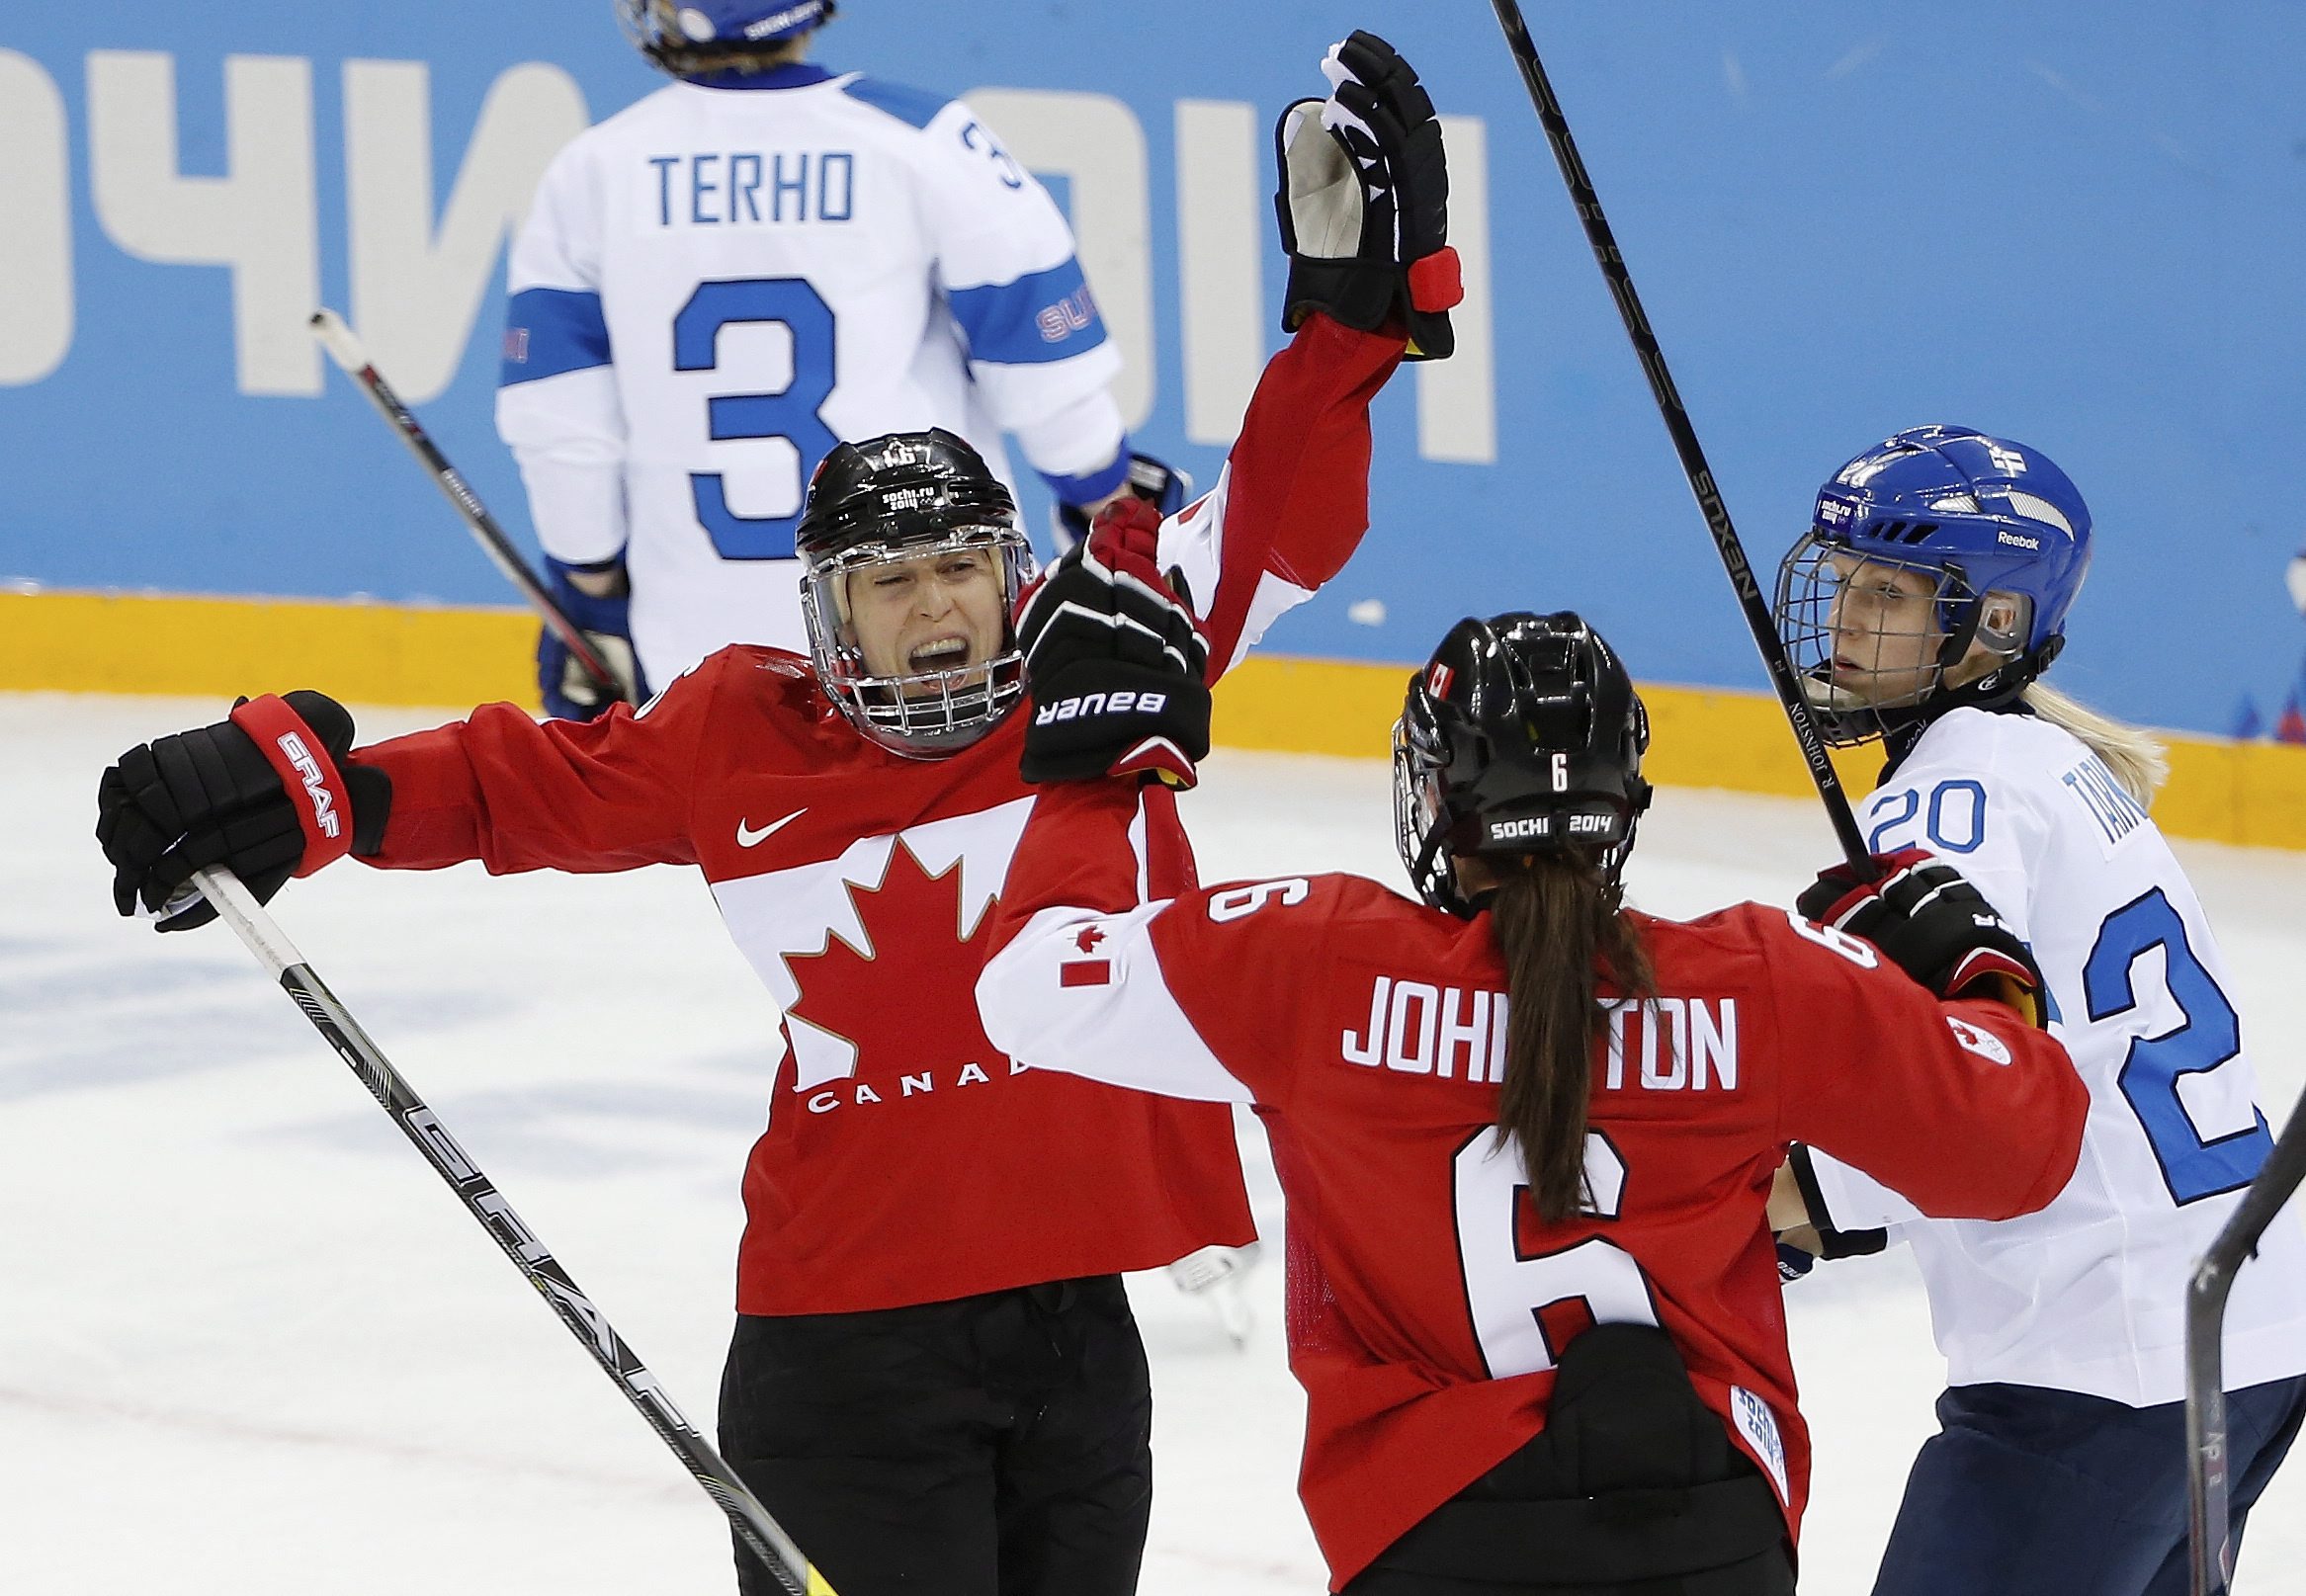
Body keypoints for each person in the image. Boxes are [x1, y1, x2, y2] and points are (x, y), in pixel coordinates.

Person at [94, 33, 1461, 1596]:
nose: (939, 609)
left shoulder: (1099, 664)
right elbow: (514, 783)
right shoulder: (743, 731)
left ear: (1012, 573)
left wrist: (1347, 333)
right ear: (828, 616)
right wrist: (301, 785)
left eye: (961, 566)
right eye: (892, 583)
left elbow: (1283, 523)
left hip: (1076, 1334)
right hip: (841, 1351)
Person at [973, 590, 2092, 1594]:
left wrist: (1096, 780)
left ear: (1434, 794)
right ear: (1625, 799)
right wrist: (1974, 973)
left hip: (1430, 1529)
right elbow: (2020, 1150)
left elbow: (1026, 987)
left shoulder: (1311, 962)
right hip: (1709, 1534)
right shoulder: (1761, 976)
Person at [1768, 425, 2306, 1595]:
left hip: (2098, 1366)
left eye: (1891, 593)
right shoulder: (2045, 766)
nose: (1848, 617)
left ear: (1991, 626)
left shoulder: (1951, 793)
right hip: (2238, 1328)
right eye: (1845, 580)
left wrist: (1754, 1199)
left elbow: (1949, 1090)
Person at [500, 0, 1182, 722]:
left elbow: (560, 424)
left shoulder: (593, 170)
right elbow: (1051, 384)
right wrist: (1110, 508)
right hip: (929, 630)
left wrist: (588, 588)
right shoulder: (925, 140)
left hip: (696, 652)